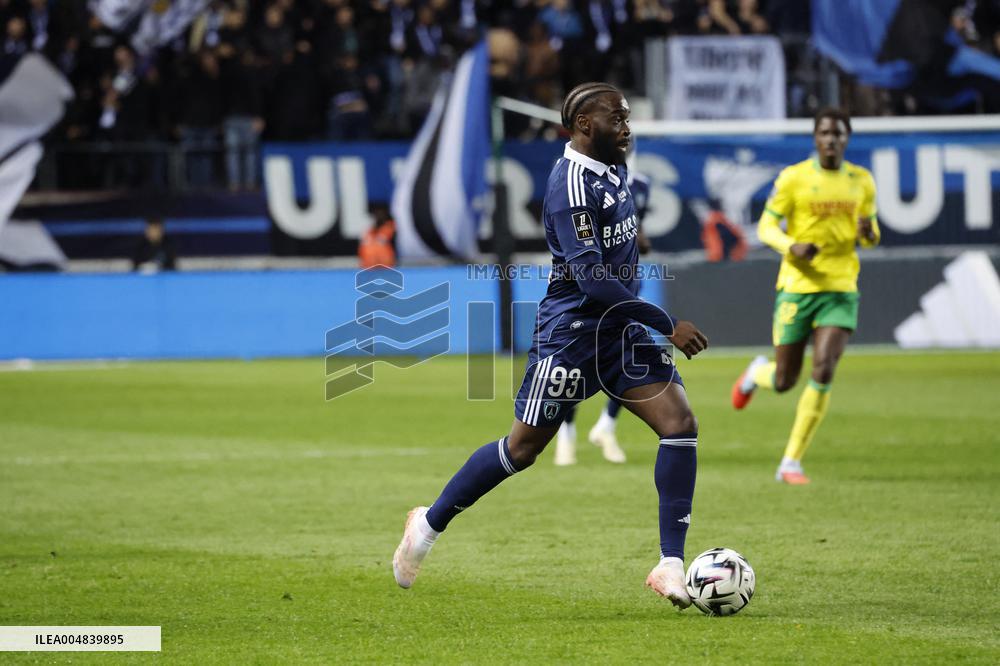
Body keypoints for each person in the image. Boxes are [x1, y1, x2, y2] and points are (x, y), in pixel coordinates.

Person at [392, 82, 708, 608]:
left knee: (679, 426)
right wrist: (665, 321)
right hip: (573, 335)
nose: (627, 127)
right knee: (522, 449)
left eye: (627, 117)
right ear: (585, 124)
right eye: (617, 118)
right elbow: (591, 282)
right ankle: (427, 524)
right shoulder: (570, 189)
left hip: (621, 333)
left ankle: (670, 565)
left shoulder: (614, 167)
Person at [730, 108, 880, 485]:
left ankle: (791, 462)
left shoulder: (861, 181)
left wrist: (869, 233)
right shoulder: (794, 178)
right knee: (784, 380)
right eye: (825, 133)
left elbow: (872, 234)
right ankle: (756, 373)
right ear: (815, 138)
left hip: (841, 286)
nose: (832, 139)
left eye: (839, 133)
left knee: (825, 367)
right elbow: (765, 226)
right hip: (798, 286)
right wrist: (790, 245)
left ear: (847, 138)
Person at [553, 158, 653, 466]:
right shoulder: (577, 183)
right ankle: (566, 432)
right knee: (577, 367)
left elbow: (639, 236)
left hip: (626, 284)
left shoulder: (639, 185)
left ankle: (606, 426)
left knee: (628, 358)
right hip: (589, 290)